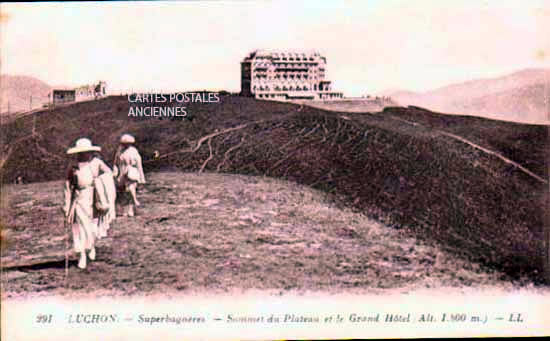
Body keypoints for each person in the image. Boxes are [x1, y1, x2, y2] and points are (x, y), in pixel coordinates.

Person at [64, 138, 113, 269]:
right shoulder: (73, 168)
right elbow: (68, 186)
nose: (83, 155)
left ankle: (90, 246)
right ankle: (82, 255)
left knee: (92, 227)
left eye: (86, 152)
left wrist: (100, 182)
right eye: (81, 153)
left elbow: (109, 173)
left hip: (94, 198)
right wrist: (66, 204)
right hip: (79, 200)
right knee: (79, 228)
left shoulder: (96, 163)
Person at [113, 134, 146, 217]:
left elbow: (139, 165)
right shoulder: (119, 151)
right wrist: (115, 172)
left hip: (132, 172)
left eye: (128, 143)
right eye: (124, 143)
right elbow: (116, 163)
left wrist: (142, 178)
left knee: (130, 189)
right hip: (122, 172)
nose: (126, 145)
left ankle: (135, 201)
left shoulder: (134, 151)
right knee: (124, 193)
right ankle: (128, 211)